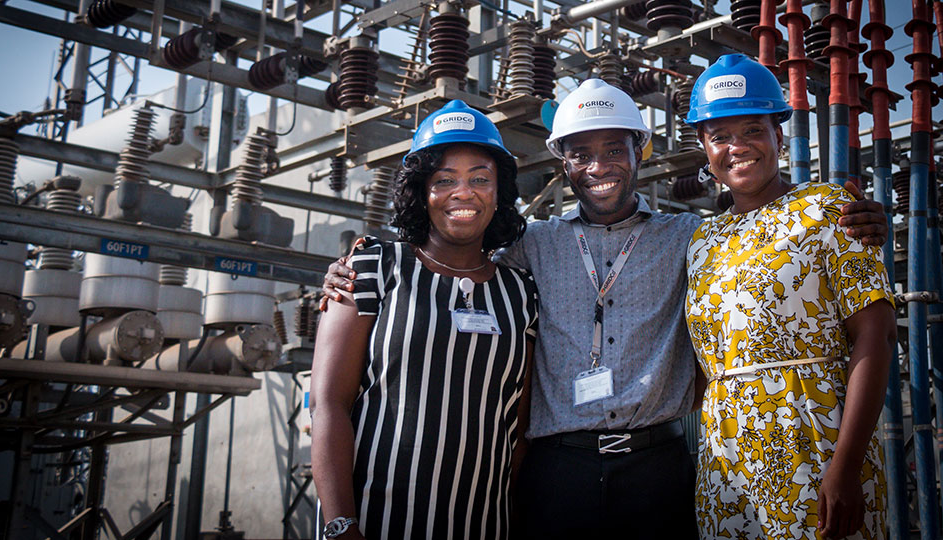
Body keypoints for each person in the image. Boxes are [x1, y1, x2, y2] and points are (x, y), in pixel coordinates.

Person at [321, 80, 889, 537]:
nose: (600, 166)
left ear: (639, 150)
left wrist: (860, 219)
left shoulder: (692, 237)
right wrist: (355, 264)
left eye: (614, 149)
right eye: (581, 153)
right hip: (556, 471)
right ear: (562, 161)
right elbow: (450, 245)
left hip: (658, 470)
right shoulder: (531, 244)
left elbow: (761, 233)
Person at [683, 54, 895, 540]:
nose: (737, 147)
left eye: (752, 130)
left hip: (817, 452)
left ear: (779, 136)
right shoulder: (702, 241)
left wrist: (845, 465)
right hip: (727, 469)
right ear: (704, 148)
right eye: (719, 136)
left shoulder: (830, 209)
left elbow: (876, 336)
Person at [309, 100, 539, 540]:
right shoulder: (375, 266)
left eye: (479, 179)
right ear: (421, 191)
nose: (463, 191)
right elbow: (328, 405)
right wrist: (341, 524)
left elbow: (518, 430)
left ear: (499, 191)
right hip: (374, 525)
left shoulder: (521, 291)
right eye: (444, 180)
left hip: (484, 526)